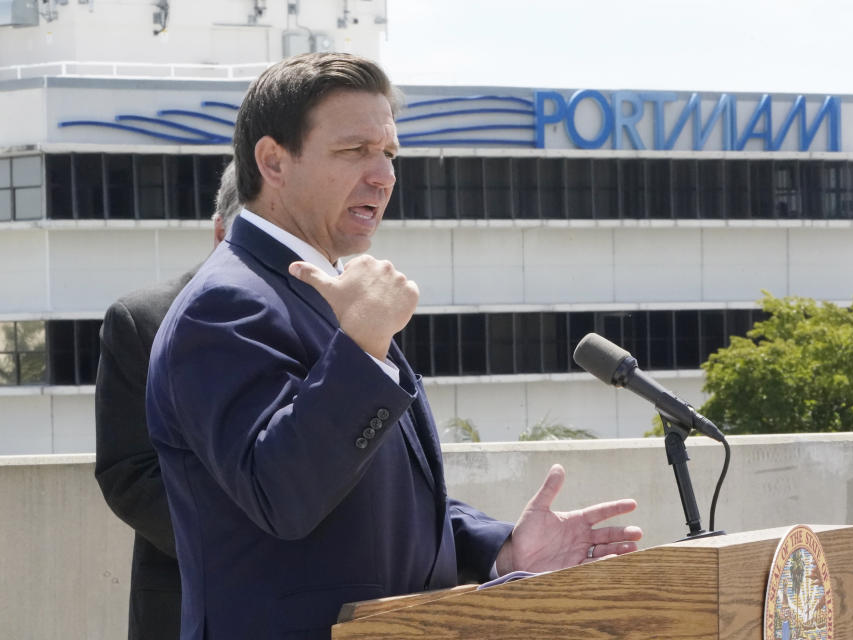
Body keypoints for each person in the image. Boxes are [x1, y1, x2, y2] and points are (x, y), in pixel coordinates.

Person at [145, 52, 643, 640]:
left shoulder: (319, 289)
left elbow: (370, 505)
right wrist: (362, 345)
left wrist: (503, 549)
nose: (384, 176)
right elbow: (282, 494)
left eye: (389, 154)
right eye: (355, 151)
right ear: (274, 161)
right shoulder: (226, 302)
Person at [94, 160, 241, 640]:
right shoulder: (142, 319)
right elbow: (129, 474)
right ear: (220, 231)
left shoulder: (345, 315)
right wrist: (247, 546)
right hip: (183, 602)